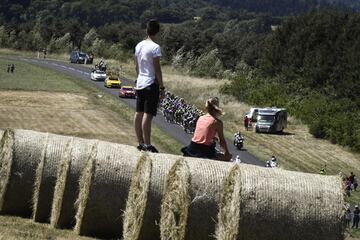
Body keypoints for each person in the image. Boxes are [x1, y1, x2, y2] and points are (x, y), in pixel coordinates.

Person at [134, 19, 164, 153]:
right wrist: (162, 87)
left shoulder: (139, 45)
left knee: (138, 113)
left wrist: (139, 77)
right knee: (148, 114)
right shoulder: (155, 47)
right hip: (151, 83)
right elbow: (157, 69)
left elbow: (137, 65)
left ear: (147, 30)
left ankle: (140, 142)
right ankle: (147, 144)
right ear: (157, 31)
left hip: (140, 81)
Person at [181, 97, 232, 161]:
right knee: (227, 158)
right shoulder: (217, 122)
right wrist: (227, 152)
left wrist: (212, 138)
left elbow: (201, 135)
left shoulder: (200, 118)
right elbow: (222, 141)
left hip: (192, 147)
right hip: (205, 151)